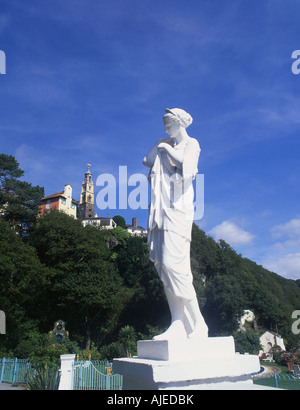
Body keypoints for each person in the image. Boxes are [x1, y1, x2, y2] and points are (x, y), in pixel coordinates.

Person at [143, 108, 208, 341]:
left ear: (179, 123)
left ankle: (198, 322)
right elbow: (147, 160)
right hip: (162, 209)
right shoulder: (165, 142)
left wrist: (168, 149)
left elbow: (187, 169)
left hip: (178, 210)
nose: (165, 128)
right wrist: (162, 143)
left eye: (168, 124)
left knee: (174, 266)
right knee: (163, 267)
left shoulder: (192, 144)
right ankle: (178, 323)